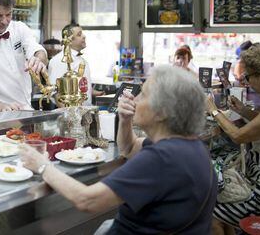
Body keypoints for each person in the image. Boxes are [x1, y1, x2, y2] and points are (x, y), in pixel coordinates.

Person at [20, 65, 217, 234]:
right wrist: (125, 121)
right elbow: (129, 148)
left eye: (144, 94)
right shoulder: (191, 146)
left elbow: (86, 201)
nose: (135, 99)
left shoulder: (161, 159)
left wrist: (42, 166)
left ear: (162, 112)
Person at [206, 45, 260, 235]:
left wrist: (213, 110)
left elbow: (238, 136)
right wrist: (242, 111)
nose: (246, 81)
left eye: (249, 77)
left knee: (208, 211)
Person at [48, 23, 103, 106]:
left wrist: (95, 92)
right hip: (72, 115)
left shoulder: (81, 59)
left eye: (82, 33)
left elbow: (80, 85)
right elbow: (56, 93)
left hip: (85, 112)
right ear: (69, 40)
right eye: (79, 34)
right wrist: (71, 116)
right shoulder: (60, 60)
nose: (84, 36)